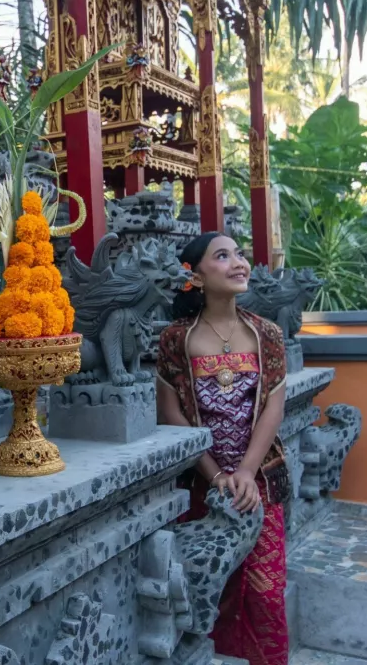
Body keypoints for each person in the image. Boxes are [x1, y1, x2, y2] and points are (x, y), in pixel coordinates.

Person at [155, 232, 289, 665]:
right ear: (194, 275)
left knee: (267, 593)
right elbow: (171, 414)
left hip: (259, 484)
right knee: (212, 593)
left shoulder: (266, 333)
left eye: (240, 254)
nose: (240, 262)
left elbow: (273, 407)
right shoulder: (176, 338)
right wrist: (215, 476)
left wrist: (247, 472)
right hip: (200, 484)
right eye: (223, 255)